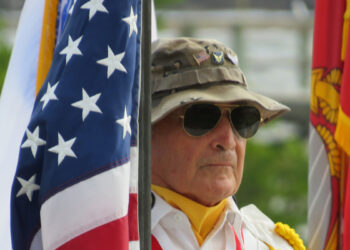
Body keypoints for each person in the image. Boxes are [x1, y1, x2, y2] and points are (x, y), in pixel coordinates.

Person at [150, 37, 305, 250]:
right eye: (202, 117)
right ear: (146, 131)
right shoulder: (103, 236)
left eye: (243, 119)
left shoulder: (270, 245)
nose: (228, 140)